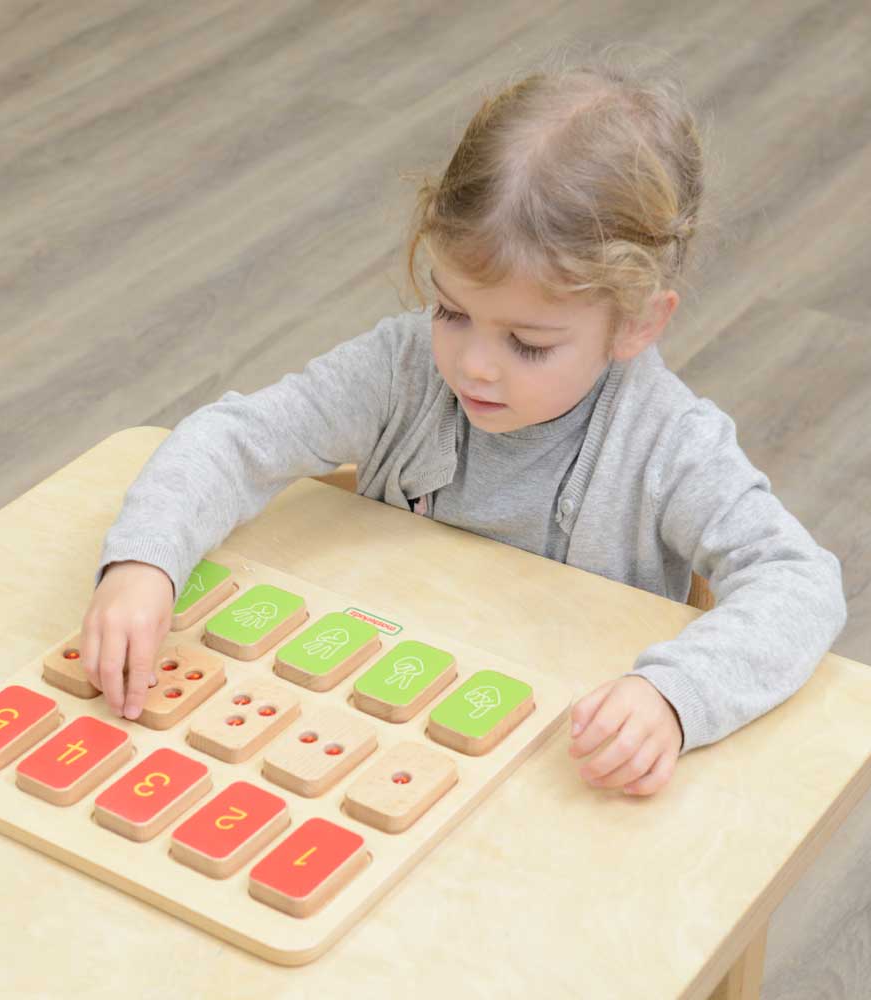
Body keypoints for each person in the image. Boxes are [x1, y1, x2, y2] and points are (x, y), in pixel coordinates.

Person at [81, 47, 847, 798]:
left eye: (528, 343)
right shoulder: (401, 366)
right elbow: (233, 439)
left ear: (637, 324)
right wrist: (144, 563)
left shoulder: (669, 443)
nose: (475, 364)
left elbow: (799, 582)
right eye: (452, 310)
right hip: (368, 731)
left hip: (555, 771)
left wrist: (677, 698)